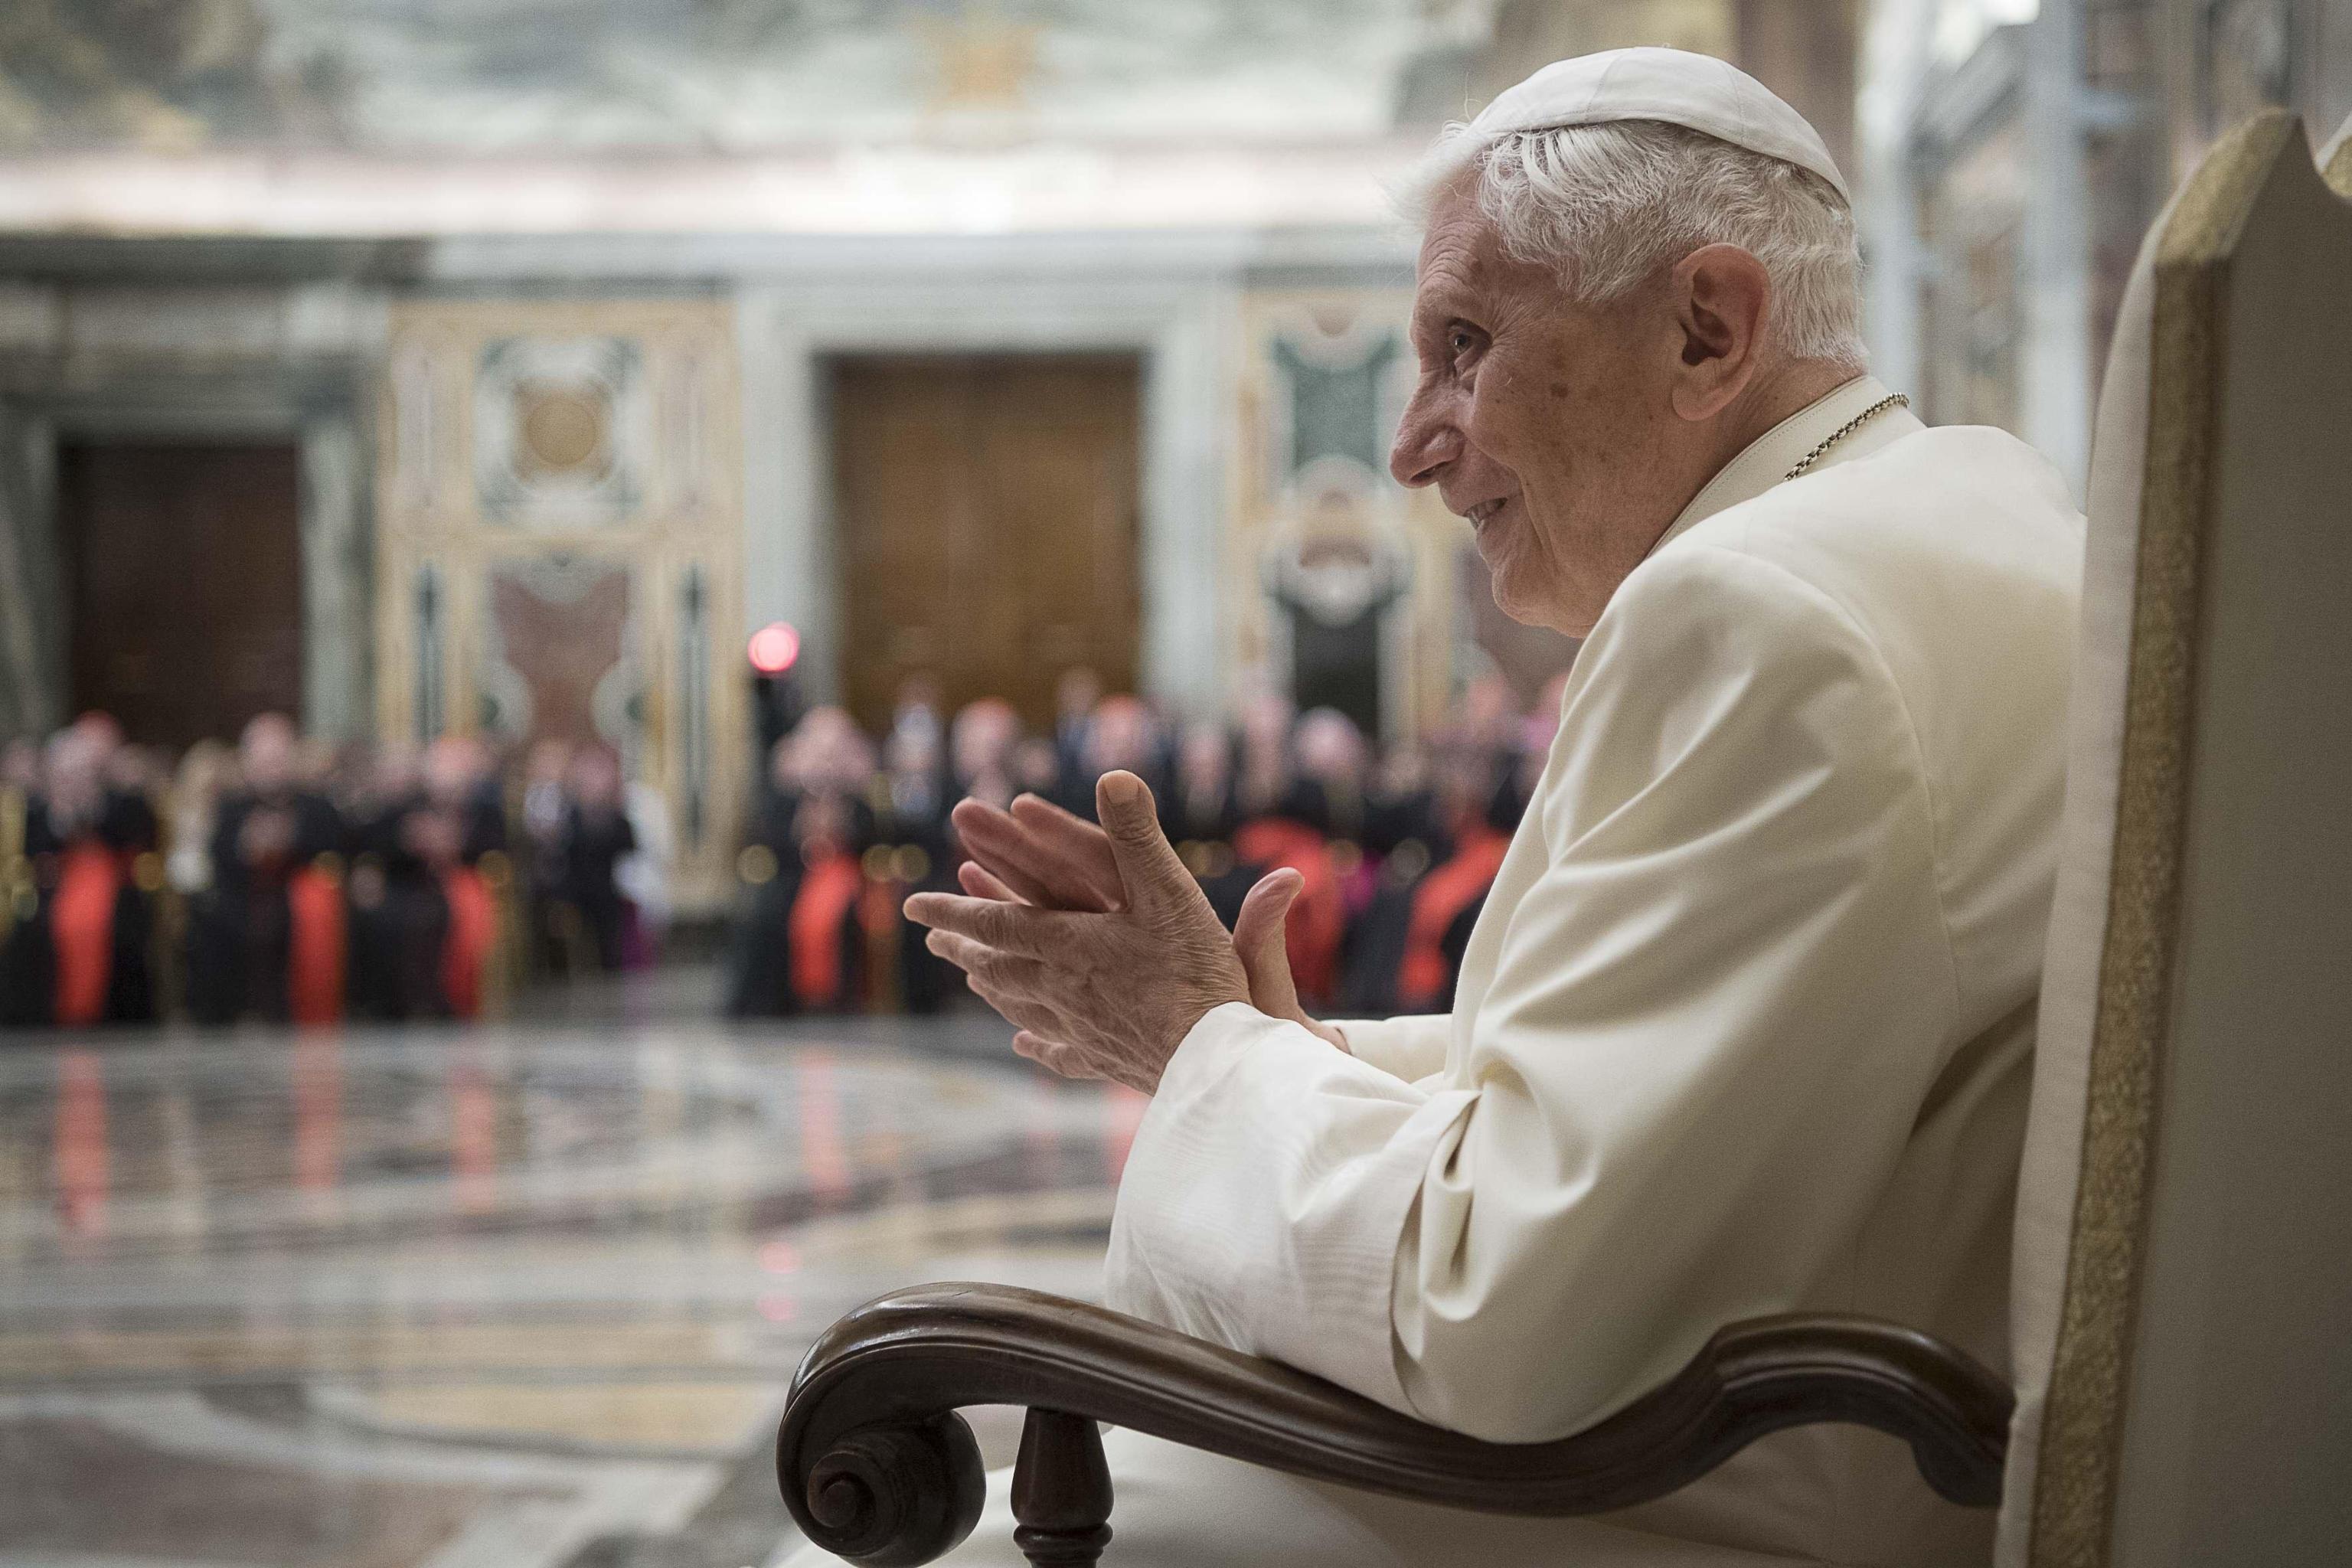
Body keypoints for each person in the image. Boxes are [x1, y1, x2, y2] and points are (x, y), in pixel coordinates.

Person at [874, 48, 2082, 1568]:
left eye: (1466, 344)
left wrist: (1200, 1051)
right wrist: (1284, 1049)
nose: (1411, 444)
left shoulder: (1766, 616)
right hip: (1827, 1420)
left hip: (1740, 1502)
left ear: (1707, 328)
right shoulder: (1973, 505)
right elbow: (1722, 1067)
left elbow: (1493, 1315)